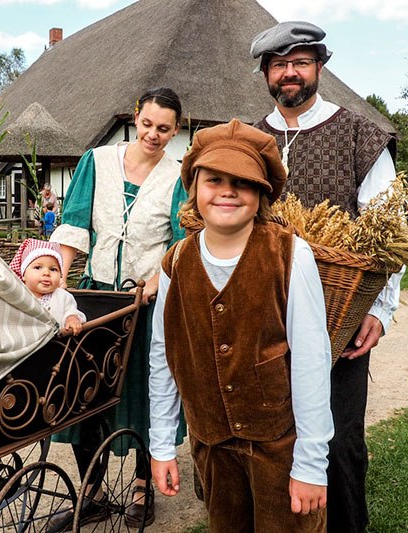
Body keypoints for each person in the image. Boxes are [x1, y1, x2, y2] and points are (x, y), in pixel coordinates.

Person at [249, 20, 402, 533]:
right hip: (264, 309)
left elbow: (387, 229)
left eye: (300, 62)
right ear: (266, 73)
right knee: (270, 434)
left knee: (338, 441)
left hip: (340, 315)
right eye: (278, 64)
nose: (289, 73)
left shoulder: (358, 134)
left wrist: (379, 309)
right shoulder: (251, 139)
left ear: (319, 67)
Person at [149, 119, 333, 532]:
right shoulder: (176, 263)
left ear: (262, 192)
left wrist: (310, 463)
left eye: (243, 182)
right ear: (194, 187)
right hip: (211, 445)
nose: (227, 191)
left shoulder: (290, 255)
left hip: (279, 445)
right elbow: (164, 356)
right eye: (214, 179)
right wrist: (161, 443)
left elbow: (311, 360)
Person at [47, 87, 188, 530]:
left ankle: (145, 486)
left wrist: (154, 282)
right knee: (84, 393)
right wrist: (54, 281)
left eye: (163, 129)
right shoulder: (98, 160)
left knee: (147, 394)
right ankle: (93, 491)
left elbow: (182, 241)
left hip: (146, 302)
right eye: (147, 124)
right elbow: (72, 225)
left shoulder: (178, 175)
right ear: (135, 117)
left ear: (175, 130)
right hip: (95, 298)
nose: (153, 134)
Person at [9, 238, 84, 335]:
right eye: (38, 267)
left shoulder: (62, 296)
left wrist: (72, 319)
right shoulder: (18, 296)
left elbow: (71, 311)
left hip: (56, 346)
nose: (46, 273)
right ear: (23, 274)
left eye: (53, 269)